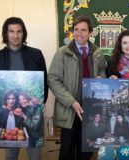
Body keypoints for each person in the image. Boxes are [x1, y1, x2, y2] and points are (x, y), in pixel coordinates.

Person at [48, 15, 106, 160]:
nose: (79, 33)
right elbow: (53, 80)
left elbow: (102, 71)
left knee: (86, 151)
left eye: (83, 30)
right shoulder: (62, 53)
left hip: (91, 109)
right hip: (69, 110)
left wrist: (102, 78)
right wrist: (71, 102)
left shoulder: (98, 53)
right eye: (76, 30)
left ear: (90, 33)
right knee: (67, 151)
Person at [0, 17, 48, 160]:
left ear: (24, 33)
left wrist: (41, 102)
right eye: (11, 31)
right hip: (11, 114)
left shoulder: (36, 54)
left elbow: (45, 81)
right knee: (11, 154)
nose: (15, 36)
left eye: (19, 31)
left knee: (35, 155)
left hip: (30, 112)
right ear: (6, 33)